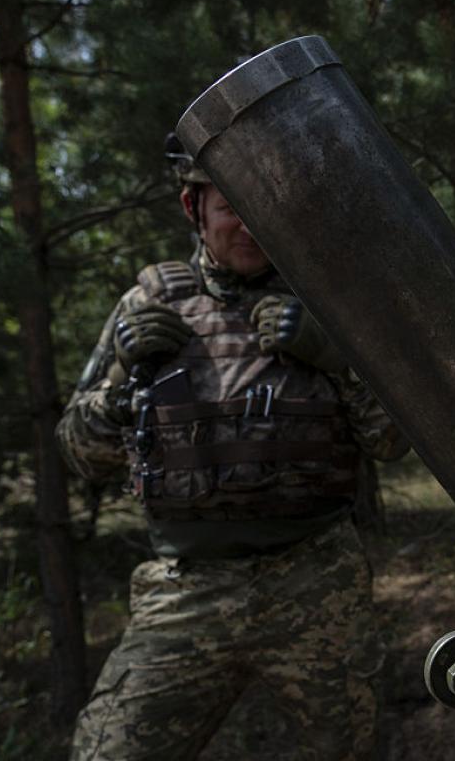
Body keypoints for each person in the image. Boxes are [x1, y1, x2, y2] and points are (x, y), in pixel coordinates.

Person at [59, 135, 409, 760]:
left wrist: (334, 355)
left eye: (263, 204)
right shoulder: (148, 303)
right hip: (186, 591)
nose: (249, 223)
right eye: (230, 206)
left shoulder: (330, 303)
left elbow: (392, 441)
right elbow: (80, 453)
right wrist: (119, 383)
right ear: (195, 210)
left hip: (314, 581)